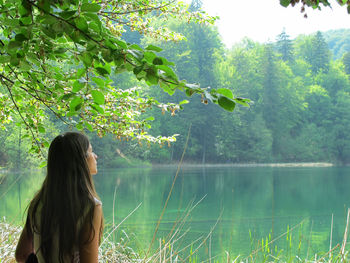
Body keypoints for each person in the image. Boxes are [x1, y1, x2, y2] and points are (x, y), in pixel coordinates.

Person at [15, 132, 103, 263]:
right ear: (80, 161)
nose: (96, 156)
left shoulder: (38, 202)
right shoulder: (91, 207)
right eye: (91, 151)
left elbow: (21, 255)